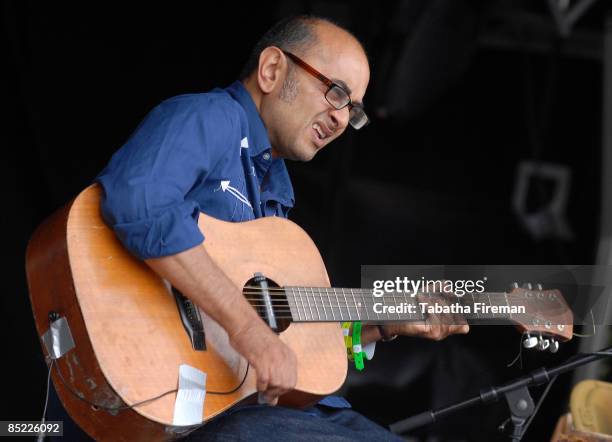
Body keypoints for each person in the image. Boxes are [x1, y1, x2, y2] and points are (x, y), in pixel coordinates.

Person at [93, 15, 469, 441]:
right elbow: (141, 201)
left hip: (231, 406)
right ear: (272, 70)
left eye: (354, 109)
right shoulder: (211, 117)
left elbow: (283, 329)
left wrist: (383, 324)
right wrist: (249, 329)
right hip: (182, 400)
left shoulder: (276, 193)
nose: (342, 119)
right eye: (337, 92)